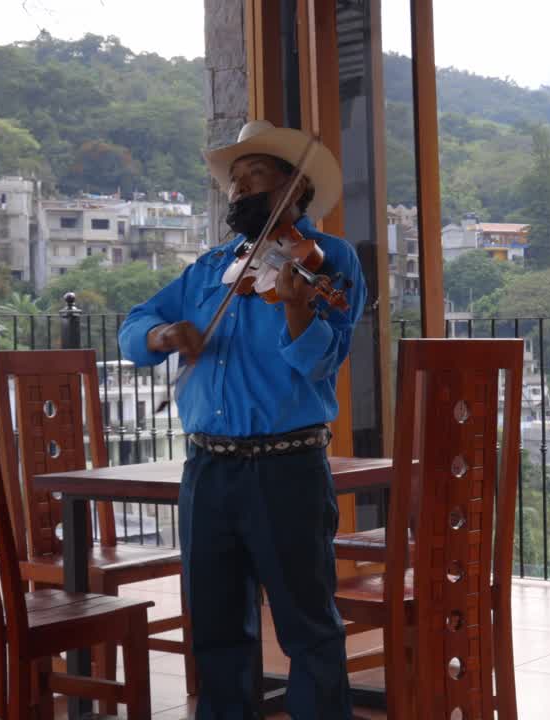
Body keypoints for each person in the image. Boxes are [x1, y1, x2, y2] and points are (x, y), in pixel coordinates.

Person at [119, 120, 366, 720]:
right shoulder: (209, 269)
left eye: (257, 177)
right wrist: (162, 332)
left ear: (296, 187)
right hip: (207, 467)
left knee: (307, 626)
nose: (240, 192)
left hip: (286, 466)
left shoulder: (329, 260)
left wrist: (299, 308)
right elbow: (136, 324)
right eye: (235, 182)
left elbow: (321, 363)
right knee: (217, 627)